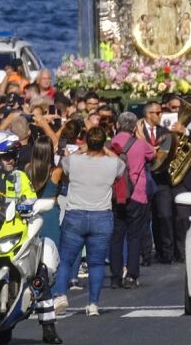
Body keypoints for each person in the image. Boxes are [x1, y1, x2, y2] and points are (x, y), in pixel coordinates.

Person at [0, 139, 61, 342]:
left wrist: (33, 206)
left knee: (40, 266)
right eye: (7, 156)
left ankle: (48, 326)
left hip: (14, 231)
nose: (12, 160)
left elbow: (31, 200)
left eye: (13, 156)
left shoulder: (20, 177)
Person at [53, 126, 123, 317]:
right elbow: (120, 166)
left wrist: (82, 149)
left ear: (86, 142)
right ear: (103, 143)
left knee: (66, 260)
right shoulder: (111, 164)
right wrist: (105, 150)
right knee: (96, 263)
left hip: (76, 213)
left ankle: (60, 294)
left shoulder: (74, 161)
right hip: (101, 215)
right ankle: (93, 304)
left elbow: (62, 166)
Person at [107, 110, 155, 289]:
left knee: (117, 235)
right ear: (135, 127)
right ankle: (132, 275)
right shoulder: (140, 144)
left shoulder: (111, 143)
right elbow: (153, 155)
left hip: (116, 195)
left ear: (118, 125)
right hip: (137, 194)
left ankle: (115, 275)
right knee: (134, 236)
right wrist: (140, 134)